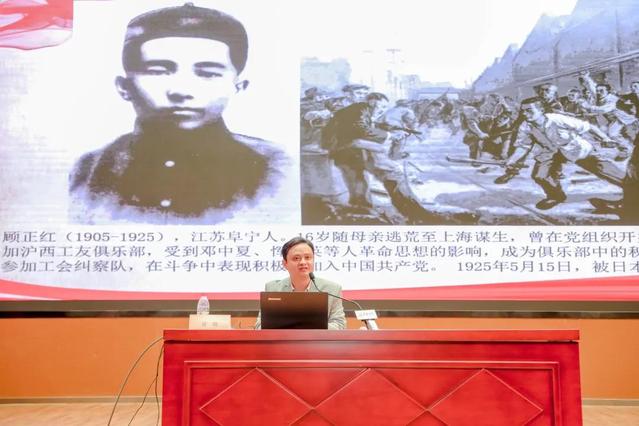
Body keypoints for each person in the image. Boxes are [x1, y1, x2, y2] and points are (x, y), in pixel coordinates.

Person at [69, 3, 290, 224]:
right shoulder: (87, 171)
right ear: (124, 87)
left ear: (238, 86)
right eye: (158, 71)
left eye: (208, 73)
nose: (182, 91)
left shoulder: (278, 170)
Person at [497, 98, 624, 210]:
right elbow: (523, 146)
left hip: (574, 148)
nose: (525, 114)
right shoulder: (525, 126)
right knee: (540, 176)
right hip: (550, 151)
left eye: (529, 110)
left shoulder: (557, 119)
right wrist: (512, 160)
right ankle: (555, 196)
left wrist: (605, 138)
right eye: (523, 111)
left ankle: (631, 190)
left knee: (605, 170)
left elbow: (588, 127)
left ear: (541, 110)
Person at [254, 237, 346, 330]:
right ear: (285, 263)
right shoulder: (273, 289)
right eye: (296, 258)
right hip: (284, 339)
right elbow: (259, 326)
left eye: (307, 257)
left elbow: (340, 325)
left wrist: (309, 326)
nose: (303, 262)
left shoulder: (332, 289)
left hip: (318, 340)